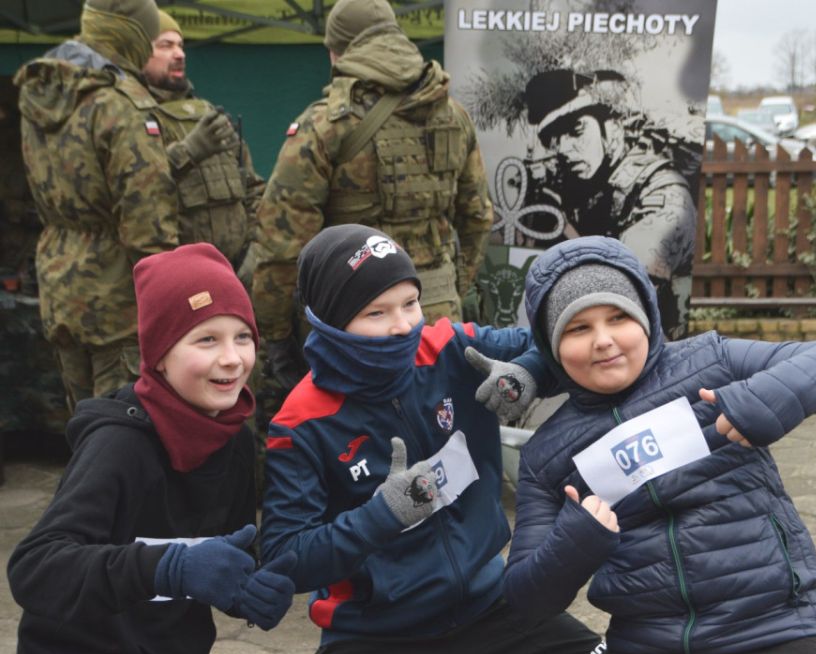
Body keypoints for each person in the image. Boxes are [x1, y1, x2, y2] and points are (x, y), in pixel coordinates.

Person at [504, 236, 816, 654]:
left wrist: (770, 396)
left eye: (618, 317)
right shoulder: (546, 456)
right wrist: (575, 542)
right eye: (578, 327)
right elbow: (525, 601)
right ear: (552, 347)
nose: (603, 340)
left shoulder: (712, 361)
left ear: (646, 315)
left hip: (779, 635)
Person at [260, 224, 604, 654]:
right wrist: (381, 515)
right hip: (377, 645)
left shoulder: (450, 348)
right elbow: (284, 558)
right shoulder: (301, 424)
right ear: (329, 321)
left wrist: (529, 370)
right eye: (376, 312)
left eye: (410, 303)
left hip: (497, 611)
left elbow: (567, 342)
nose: (403, 326)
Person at [6, 243, 296, 654]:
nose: (232, 358)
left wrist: (248, 589)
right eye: (206, 340)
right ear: (160, 355)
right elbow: (35, 568)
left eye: (243, 336)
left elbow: (220, 556)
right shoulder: (119, 445)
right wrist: (168, 568)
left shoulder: (235, 440)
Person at [253, 0, 493, 394]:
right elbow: (478, 217)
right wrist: (449, 285)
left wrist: (276, 335)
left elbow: (282, 242)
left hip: (355, 319)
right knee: (435, 416)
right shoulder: (452, 114)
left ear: (337, 52)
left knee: (354, 425)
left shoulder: (326, 123)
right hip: (435, 314)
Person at [15, 0, 179, 411]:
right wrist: (172, 308)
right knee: (124, 427)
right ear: (132, 33)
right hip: (119, 299)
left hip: (61, 285)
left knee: (83, 422)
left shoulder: (42, 93)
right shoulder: (119, 104)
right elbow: (148, 223)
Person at [523, 69, 697, 339]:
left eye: (577, 130)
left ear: (613, 127)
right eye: (553, 139)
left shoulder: (665, 192)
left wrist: (566, 231)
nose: (564, 149)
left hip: (652, 351)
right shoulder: (580, 184)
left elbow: (619, 293)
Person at [142, 10, 265, 279]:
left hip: (237, 274)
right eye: (166, 45)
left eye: (181, 45)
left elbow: (252, 189)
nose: (179, 54)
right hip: (179, 278)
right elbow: (137, 190)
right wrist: (188, 152)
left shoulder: (208, 115)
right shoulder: (135, 118)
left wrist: (254, 254)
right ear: (139, 52)